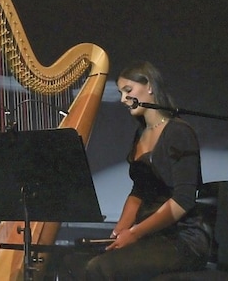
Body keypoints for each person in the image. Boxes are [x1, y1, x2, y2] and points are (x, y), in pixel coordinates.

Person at [82, 60, 211, 280]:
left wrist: (135, 233)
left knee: (101, 268)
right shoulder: (140, 134)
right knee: (79, 261)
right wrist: (118, 232)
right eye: (121, 93)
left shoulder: (178, 132)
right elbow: (138, 192)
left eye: (128, 91)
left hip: (182, 239)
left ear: (149, 86)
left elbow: (183, 201)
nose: (123, 99)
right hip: (150, 235)